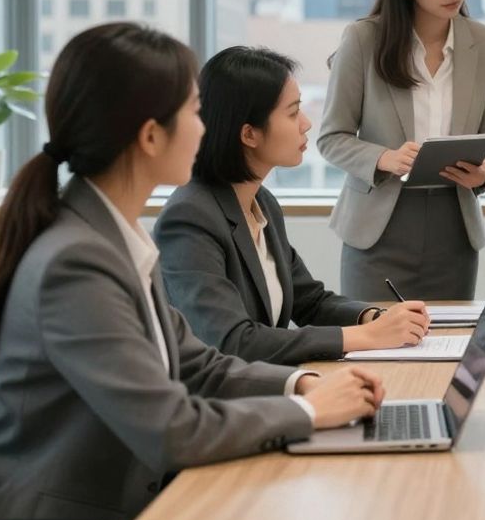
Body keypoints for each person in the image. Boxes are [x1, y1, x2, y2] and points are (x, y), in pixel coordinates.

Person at [0, 23, 384, 520]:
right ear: (151, 135)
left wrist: (304, 383)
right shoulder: (76, 263)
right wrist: (310, 414)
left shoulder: (114, 238)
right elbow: (171, 428)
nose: (204, 128)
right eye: (192, 112)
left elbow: (198, 366)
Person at [155, 46, 432, 365]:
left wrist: (372, 317)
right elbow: (233, 341)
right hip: (219, 404)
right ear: (249, 134)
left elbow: (309, 301)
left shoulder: (261, 203)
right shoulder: (189, 218)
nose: (306, 124)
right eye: (292, 112)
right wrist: (366, 337)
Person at [319, 0, 485, 300]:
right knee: (377, 351)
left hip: (454, 228)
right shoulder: (364, 40)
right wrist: (384, 158)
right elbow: (331, 137)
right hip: (378, 229)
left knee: (449, 349)